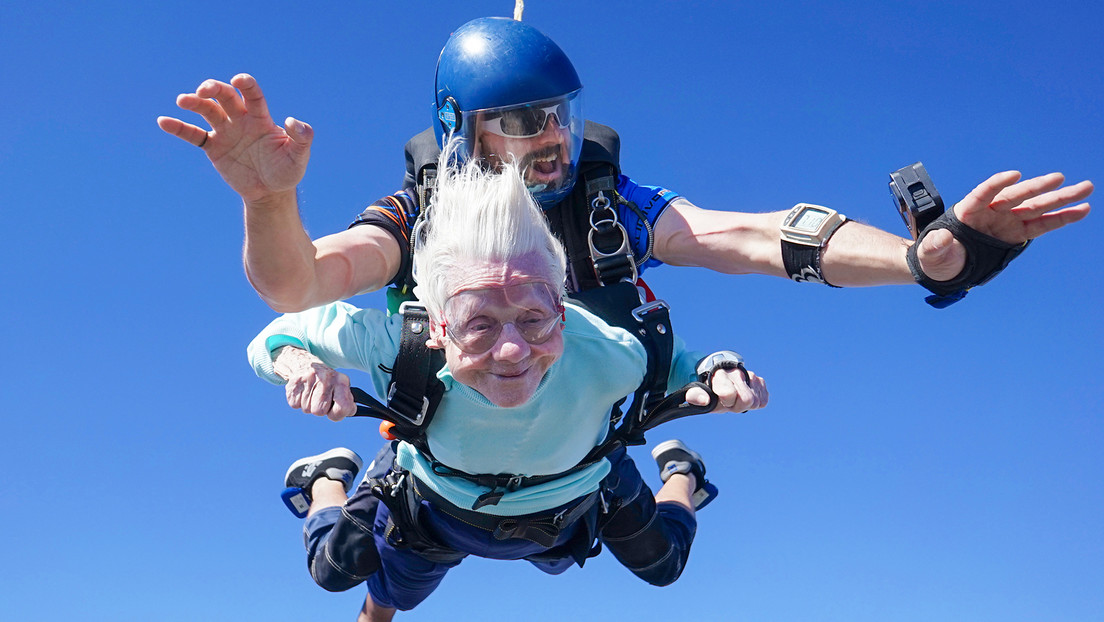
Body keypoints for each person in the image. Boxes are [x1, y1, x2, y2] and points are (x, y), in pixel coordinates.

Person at [158, 16, 1092, 316]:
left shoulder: (612, 205)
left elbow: (759, 238)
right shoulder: (421, 209)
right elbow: (300, 285)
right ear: (460, 134)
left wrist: (925, 259)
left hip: (573, 444)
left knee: (654, 558)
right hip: (452, 437)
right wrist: (270, 204)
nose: (550, 140)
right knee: (392, 555)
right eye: (517, 123)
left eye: (557, 116)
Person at [246, 149, 769, 620]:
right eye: (479, 325)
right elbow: (276, 334)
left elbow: (676, 360)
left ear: (562, 311)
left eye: (534, 318)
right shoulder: (399, 344)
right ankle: (326, 479)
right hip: (436, 507)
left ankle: (683, 477)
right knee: (338, 571)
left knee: (664, 564)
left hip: (574, 500)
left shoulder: (608, 349)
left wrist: (720, 370)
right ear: (437, 326)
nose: (514, 351)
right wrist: (299, 365)